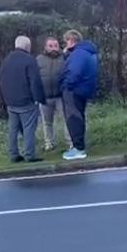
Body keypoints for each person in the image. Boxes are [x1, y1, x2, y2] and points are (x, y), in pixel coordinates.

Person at [0, 36, 46, 163]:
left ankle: (13, 154)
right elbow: (35, 81)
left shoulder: (6, 60)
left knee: (13, 129)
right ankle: (30, 154)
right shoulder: (29, 60)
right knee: (29, 128)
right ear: (27, 46)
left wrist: (5, 98)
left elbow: (2, 80)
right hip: (26, 101)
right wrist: (38, 98)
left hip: (11, 101)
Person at [60, 29, 99, 160]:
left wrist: (66, 85)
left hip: (74, 90)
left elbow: (74, 72)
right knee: (79, 117)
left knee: (73, 118)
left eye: (66, 41)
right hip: (84, 89)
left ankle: (78, 148)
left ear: (71, 40)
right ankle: (79, 146)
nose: (65, 44)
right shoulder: (88, 52)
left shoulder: (78, 53)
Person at [36, 37, 71, 151]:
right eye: (50, 46)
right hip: (45, 97)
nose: (53, 48)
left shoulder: (64, 58)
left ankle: (70, 142)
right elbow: (35, 77)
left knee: (66, 120)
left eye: (56, 46)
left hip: (61, 96)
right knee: (47, 122)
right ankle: (49, 143)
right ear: (45, 47)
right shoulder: (39, 59)